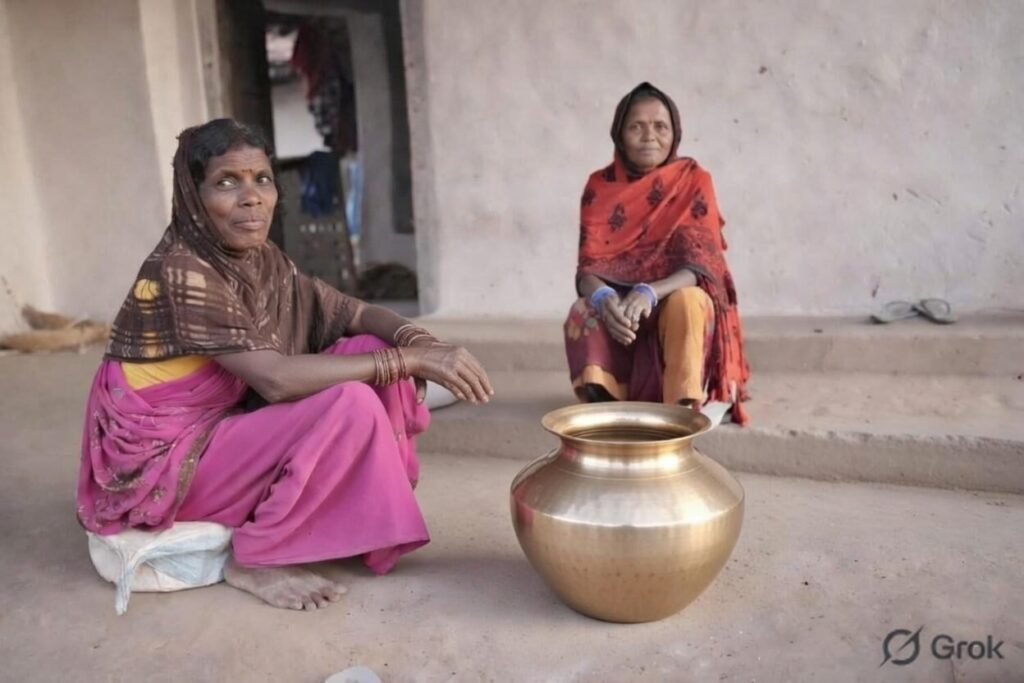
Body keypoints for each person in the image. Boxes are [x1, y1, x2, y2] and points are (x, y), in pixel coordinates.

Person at [77, 119, 493, 610]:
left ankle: (362, 513)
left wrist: (420, 341)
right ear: (193, 195)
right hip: (165, 459)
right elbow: (273, 379)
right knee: (351, 401)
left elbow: (353, 312)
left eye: (262, 179)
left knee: (364, 352)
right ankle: (257, 556)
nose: (252, 197)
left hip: (219, 426)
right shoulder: (182, 269)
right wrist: (409, 358)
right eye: (227, 182)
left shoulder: (260, 259)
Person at [564, 82, 750, 424]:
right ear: (619, 134)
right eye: (636, 126)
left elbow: (703, 265)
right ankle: (609, 398)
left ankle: (680, 404)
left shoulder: (693, 179)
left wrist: (649, 292)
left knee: (689, 300)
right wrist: (605, 296)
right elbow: (588, 267)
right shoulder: (599, 185)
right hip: (623, 315)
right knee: (583, 310)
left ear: (674, 133)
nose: (649, 136)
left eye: (660, 126)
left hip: (670, 305)